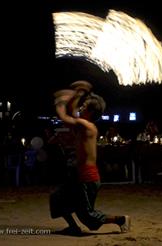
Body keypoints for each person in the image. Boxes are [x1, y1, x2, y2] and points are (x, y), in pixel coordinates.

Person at [49, 80, 131, 235]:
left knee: (88, 215)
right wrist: (78, 94)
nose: (81, 108)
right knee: (57, 199)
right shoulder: (84, 125)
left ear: (91, 112)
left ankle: (121, 220)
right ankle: (73, 227)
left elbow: (65, 117)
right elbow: (72, 113)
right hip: (79, 174)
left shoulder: (86, 126)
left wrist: (60, 102)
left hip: (87, 177)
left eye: (85, 107)